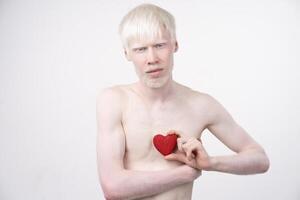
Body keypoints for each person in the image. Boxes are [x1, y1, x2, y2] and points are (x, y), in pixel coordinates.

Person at [96, 3, 269, 200]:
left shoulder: (201, 104)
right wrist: (184, 173)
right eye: (140, 49)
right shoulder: (114, 100)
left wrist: (210, 163)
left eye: (159, 45)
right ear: (127, 53)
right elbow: (112, 187)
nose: (152, 58)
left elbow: (259, 159)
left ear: (175, 45)